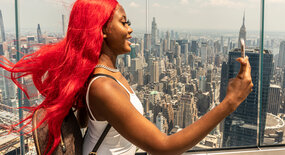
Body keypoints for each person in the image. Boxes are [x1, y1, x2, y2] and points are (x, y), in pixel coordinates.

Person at [2, 0, 253, 154]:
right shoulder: (103, 87)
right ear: (102, 31)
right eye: (124, 22)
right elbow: (163, 147)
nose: (130, 29)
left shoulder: (108, 75)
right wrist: (229, 103)